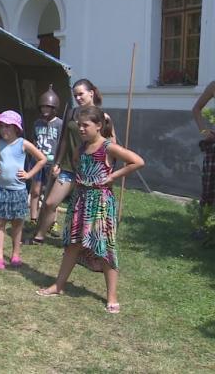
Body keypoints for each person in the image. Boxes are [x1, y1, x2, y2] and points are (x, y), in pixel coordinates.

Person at [36, 106, 144, 314]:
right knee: (72, 244)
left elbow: (138, 161)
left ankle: (111, 296)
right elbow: (78, 165)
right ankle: (58, 285)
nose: (81, 129)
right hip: (80, 201)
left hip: (101, 203)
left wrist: (112, 177)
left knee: (105, 248)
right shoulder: (81, 148)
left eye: (85, 125)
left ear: (99, 126)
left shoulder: (108, 147)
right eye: (79, 125)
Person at [26, 79, 116, 244]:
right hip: (68, 167)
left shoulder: (103, 117)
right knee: (50, 203)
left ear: (91, 93)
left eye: (81, 94)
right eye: (75, 95)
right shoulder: (72, 113)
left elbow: (112, 144)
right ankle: (39, 236)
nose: (78, 98)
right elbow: (65, 141)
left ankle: (87, 243)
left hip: (90, 169)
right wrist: (58, 163)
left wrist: (109, 170)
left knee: (87, 210)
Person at [0, 111, 46, 269]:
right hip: (1, 189)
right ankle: (0, 257)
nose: (4, 130)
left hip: (18, 191)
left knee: (17, 223)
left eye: (7, 127)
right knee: (0, 222)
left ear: (16, 128)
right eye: (2, 127)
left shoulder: (23, 143)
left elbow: (42, 159)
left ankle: (15, 255)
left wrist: (29, 174)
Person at [26, 86, 63, 232]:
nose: (45, 110)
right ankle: (33, 218)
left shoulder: (60, 124)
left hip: (52, 163)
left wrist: (58, 163)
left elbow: (62, 144)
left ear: (54, 107)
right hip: (38, 162)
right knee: (35, 191)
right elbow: (34, 143)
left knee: (51, 195)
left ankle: (52, 221)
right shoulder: (37, 123)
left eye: (48, 107)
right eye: (43, 107)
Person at [192, 81, 215, 207]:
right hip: (214, 148)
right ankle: (205, 224)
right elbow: (196, 109)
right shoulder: (213, 86)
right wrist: (204, 131)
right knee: (208, 191)